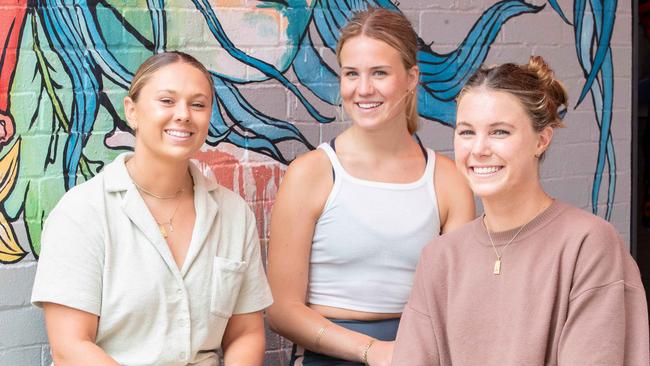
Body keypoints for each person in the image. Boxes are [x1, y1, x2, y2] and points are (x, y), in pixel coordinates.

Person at [392, 56, 650, 365]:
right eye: (466, 132)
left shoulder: (589, 244)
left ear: (541, 139)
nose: (479, 149)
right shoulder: (439, 258)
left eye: (500, 132)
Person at [31, 51, 272, 366]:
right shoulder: (81, 213)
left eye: (197, 104)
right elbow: (70, 346)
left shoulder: (233, 214)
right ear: (132, 112)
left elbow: (245, 333)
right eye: (167, 101)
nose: (184, 114)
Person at [266, 8, 475, 366]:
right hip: (327, 358)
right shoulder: (311, 173)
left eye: (379, 73)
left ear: (411, 78)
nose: (363, 89)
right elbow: (281, 310)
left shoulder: (448, 180)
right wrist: (371, 351)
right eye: (351, 74)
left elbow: (456, 302)